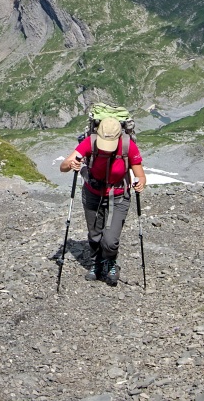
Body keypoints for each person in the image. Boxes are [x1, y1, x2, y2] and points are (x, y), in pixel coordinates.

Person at [59, 116, 145, 286]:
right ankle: (96, 263)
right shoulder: (90, 142)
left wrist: (140, 182)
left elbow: (140, 174)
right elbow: (63, 167)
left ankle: (111, 262)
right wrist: (72, 165)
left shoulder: (127, 145)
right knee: (94, 234)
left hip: (119, 195)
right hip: (93, 193)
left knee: (110, 240)